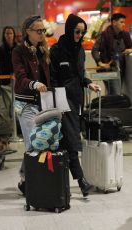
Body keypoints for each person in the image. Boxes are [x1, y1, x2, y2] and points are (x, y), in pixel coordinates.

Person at [50, 13, 100, 197]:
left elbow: (79, 75)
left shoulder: (79, 50)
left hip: (78, 100)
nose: (80, 35)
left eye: (82, 32)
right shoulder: (56, 51)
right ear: (70, 29)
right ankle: (81, 180)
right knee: (71, 140)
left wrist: (87, 83)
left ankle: (28, 180)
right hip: (63, 101)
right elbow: (54, 80)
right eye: (77, 31)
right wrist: (59, 105)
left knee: (64, 142)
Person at [12, 15, 50, 195]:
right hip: (25, 103)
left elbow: (47, 77)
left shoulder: (43, 50)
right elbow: (20, 76)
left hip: (41, 102)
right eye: (38, 30)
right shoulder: (19, 51)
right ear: (28, 32)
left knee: (37, 142)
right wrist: (33, 84)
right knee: (32, 143)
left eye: (43, 30)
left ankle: (25, 176)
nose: (42, 33)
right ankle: (27, 181)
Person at [91, 13, 132, 95]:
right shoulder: (104, 34)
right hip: (108, 69)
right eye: (121, 22)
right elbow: (94, 49)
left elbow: (131, 47)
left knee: (113, 93)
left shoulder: (125, 35)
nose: (124, 24)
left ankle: (108, 106)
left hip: (121, 69)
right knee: (115, 93)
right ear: (114, 22)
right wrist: (100, 63)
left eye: (124, 22)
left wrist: (130, 50)